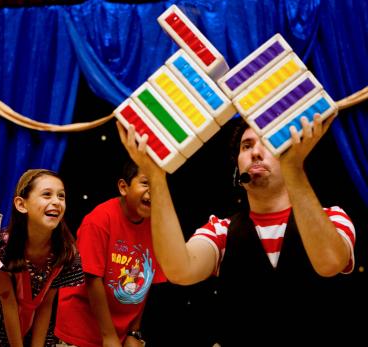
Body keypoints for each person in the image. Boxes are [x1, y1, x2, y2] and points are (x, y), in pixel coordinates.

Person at [116, 114, 356, 346]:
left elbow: (330, 263)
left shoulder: (333, 217)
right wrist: (156, 177)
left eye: (270, 144)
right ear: (237, 166)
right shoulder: (221, 231)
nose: (255, 152)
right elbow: (180, 271)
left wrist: (294, 168)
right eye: (246, 146)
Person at [55, 159, 167, 347]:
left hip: (122, 334)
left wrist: (134, 332)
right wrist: (108, 336)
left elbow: (146, 283)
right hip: (81, 331)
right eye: (146, 183)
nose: (153, 191)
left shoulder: (158, 228)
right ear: (124, 187)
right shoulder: (99, 220)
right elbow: (92, 279)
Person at [0, 169, 84, 347]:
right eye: (47, 195)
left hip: (39, 331)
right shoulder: (2, 247)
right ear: (21, 204)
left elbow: (46, 304)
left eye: (61, 196)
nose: (56, 201)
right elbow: (7, 300)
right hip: (0, 331)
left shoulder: (66, 251)